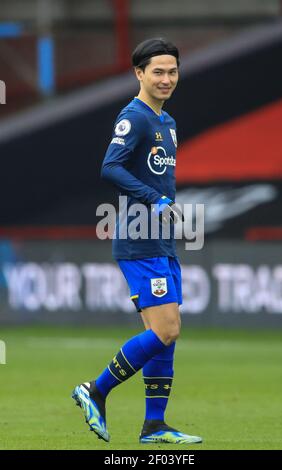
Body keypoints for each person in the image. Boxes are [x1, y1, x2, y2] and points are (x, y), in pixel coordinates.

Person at [72, 38, 202, 445]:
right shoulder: (135, 117)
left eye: (172, 71)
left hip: (160, 240)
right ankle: (95, 389)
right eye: (158, 71)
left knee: (162, 335)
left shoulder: (168, 123)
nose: (166, 79)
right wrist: (154, 198)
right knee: (167, 329)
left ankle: (154, 425)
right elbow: (110, 167)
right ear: (139, 74)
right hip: (137, 239)